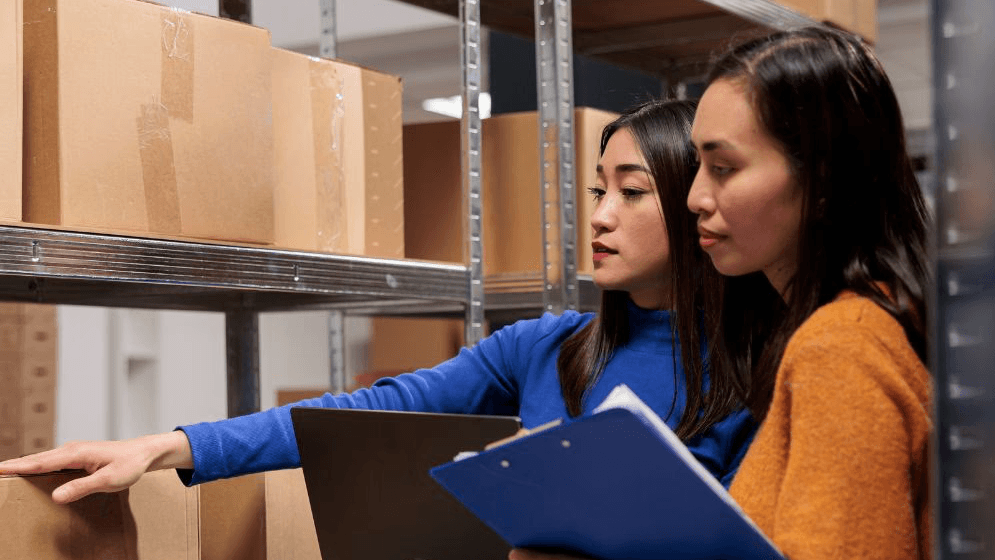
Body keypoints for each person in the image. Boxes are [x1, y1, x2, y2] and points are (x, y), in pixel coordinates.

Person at [0, 100, 756, 508]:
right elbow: (366, 412)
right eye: (596, 190)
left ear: (695, 201)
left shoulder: (760, 365)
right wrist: (162, 448)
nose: (599, 215)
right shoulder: (547, 347)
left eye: (631, 191)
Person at [512, 24, 934, 560]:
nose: (694, 198)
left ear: (823, 180)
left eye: (724, 168)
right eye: (698, 167)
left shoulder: (840, 347)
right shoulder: (869, 320)